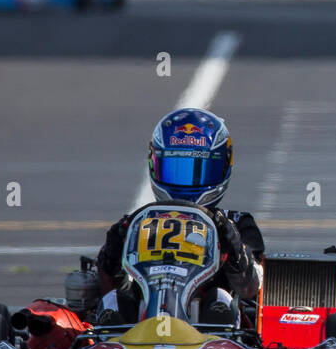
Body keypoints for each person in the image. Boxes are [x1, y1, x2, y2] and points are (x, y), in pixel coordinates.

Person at [94, 108, 265, 330]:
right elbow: (109, 281)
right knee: (114, 303)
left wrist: (228, 236)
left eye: (198, 171)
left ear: (222, 167)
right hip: (138, 330)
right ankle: (111, 343)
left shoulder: (238, 225)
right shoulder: (139, 222)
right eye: (175, 169)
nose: (186, 184)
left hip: (212, 334)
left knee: (218, 301)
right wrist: (115, 242)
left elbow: (249, 288)